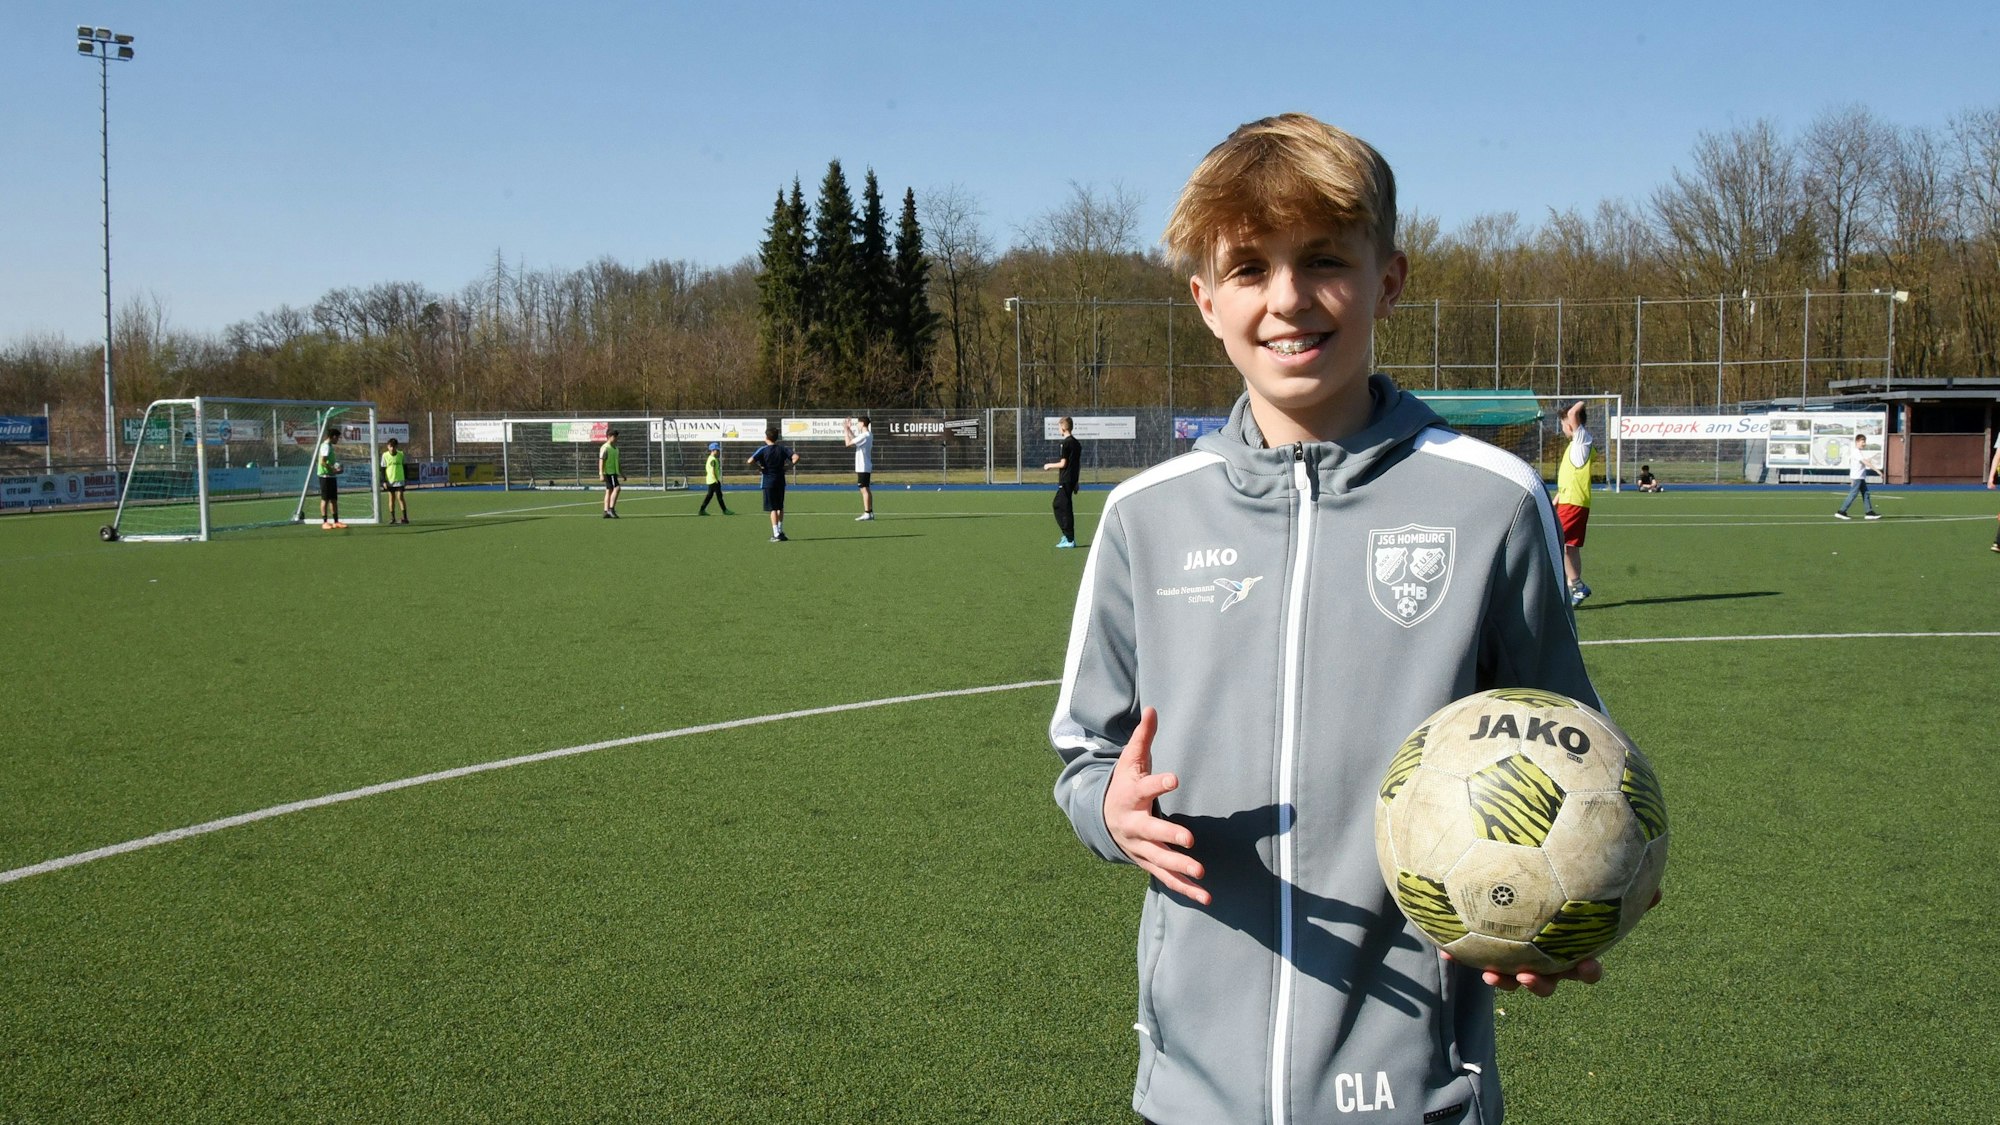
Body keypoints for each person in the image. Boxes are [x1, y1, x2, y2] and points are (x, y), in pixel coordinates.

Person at [1049, 113, 1622, 1125]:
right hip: (1192, 1089)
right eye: (1247, 268)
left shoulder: (1487, 499)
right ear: (1204, 300)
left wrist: (1564, 902)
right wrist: (1109, 811)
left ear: (1386, 280)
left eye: (1322, 260)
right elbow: (1083, 752)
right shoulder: (1147, 515)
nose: (1285, 299)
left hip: (1413, 1087)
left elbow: (1572, 752)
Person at [1554, 400, 1595, 606]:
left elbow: (1573, 412)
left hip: (1575, 504)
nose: (1562, 429)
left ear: (1571, 424)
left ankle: (1576, 586)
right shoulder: (1574, 446)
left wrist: (1583, 400)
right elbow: (1571, 477)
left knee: (1561, 543)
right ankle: (1576, 585)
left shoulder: (1581, 440)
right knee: (1569, 546)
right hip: (1568, 501)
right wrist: (1556, 499)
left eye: (1563, 424)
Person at [748, 426, 798, 542]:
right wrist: (788, 467)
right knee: (780, 506)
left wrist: (759, 468)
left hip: (768, 481)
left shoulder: (763, 449)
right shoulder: (782, 449)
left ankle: (776, 533)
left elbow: (750, 461)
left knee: (773, 508)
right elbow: (796, 457)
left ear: (766, 437)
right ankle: (780, 530)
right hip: (780, 480)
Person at [1042, 416, 1082, 548]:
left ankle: (1069, 538)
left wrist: (1049, 465)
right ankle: (1068, 536)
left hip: (1065, 479)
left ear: (1063, 428)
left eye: (1059, 427)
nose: (1059, 429)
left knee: (1059, 506)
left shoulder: (1066, 443)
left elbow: (1063, 463)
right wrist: (1076, 482)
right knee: (1064, 506)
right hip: (1071, 479)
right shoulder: (1077, 443)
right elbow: (1077, 465)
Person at [1835, 433, 1881, 520]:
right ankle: (1841, 512)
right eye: (1862, 441)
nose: (1864, 443)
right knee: (1853, 495)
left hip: (1859, 477)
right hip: (1858, 478)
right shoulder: (1856, 452)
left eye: (1864, 442)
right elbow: (1865, 462)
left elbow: (1855, 464)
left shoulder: (1857, 452)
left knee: (1866, 494)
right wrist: (1877, 470)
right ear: (1857, 442)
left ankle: (1869, 512)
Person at [843, 415, 876, 520]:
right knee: (866, 489)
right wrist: (848, 429)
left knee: (864, 489)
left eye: (858, 423)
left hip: (863, 466)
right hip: (865, 466)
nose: (857, 425)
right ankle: (870, 512)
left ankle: (867, 513)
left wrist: (845, 430)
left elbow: (848, 443)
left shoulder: (864, 436)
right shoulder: (867, 435)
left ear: (862, 424)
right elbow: (855, 440)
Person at [316, 424, 346, 530]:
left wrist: (336, 470)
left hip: (331, 476)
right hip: (325, 476)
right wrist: (333, 469)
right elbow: (322, 461)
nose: (338, 440)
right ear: (333, 436)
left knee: (333, 499)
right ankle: (324, 522)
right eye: (337, 437)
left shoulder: (329, 446)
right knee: (325, 499)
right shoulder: (325, 446)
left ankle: (336, 522)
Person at [379, 438, 410, 524]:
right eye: (390, 446)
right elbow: (382, 469)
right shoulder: (385, 455)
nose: (392, 448)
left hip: (400, 480)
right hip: (390, 480)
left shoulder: (401, 454)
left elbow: (405, 467)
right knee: (391, 499)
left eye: (394, 447)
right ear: (388, 446)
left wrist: (406, 478)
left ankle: (405, 517)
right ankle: (392, 518)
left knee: (400, 497)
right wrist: (384, 481)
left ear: (396, 447)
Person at [698, 441, 732, 515]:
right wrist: (716, 480)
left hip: (711, 480)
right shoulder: (712, 460)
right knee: (719, 496)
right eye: (717, 450)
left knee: (709, 496)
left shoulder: (710, 458)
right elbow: (712, 471)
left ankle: (702, 510)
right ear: (713, 450)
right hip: (714, 481)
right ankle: (725, 510)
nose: (718, 451)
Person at [598, 429, 622, 518]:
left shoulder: (615, 449)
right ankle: (611, 509)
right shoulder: (605, 448)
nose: (616, 439)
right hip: (609, 472)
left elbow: (618, 462)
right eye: (614, 437)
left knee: (609, 491)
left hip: (614, 473)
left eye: (617, 437)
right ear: (609, 437)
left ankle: (606, 511)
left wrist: (621, 473)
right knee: (617, 488)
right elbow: (601, 461)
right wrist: (601, 473)